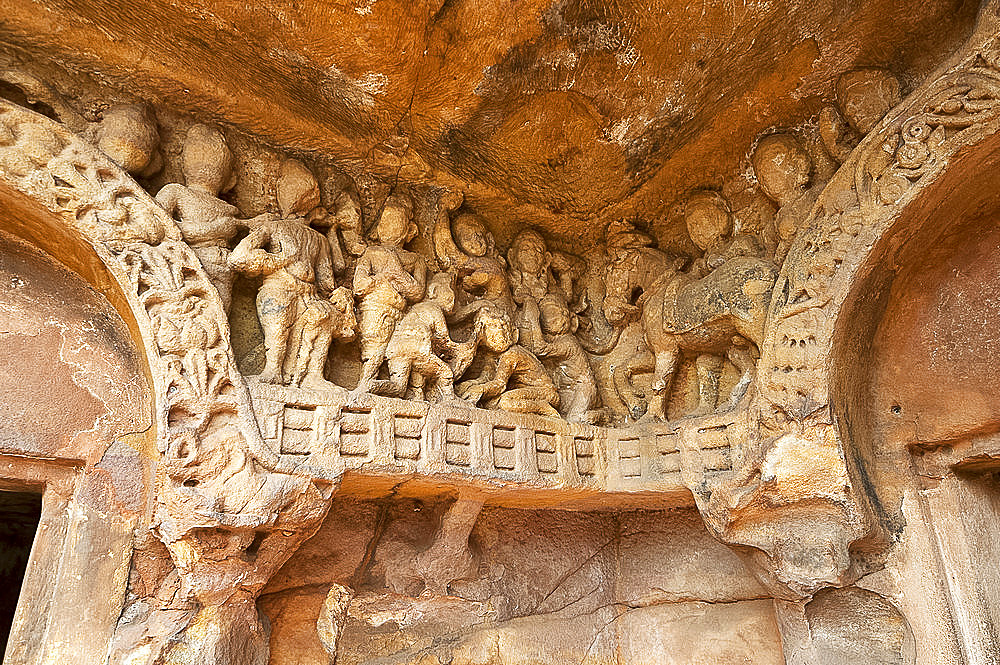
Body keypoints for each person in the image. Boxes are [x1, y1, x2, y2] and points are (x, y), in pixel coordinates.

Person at [229, 159, 347, 389]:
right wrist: (279, 261)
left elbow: (326, 282)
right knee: (278, 334)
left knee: (324, 317)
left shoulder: (318, 239)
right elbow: (239, 257)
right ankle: (272, 372)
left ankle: (314, 376)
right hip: (278, 288)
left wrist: (337, 299)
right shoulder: (272, 227)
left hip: (309, 295)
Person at [157, 124, 264, 312]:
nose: (208, 165)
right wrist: (214, 230)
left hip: (224, 272)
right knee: (187, 311)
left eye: (217, 163)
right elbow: (158, 229)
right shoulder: (176, 192)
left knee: (220, 314)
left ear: (230, 180)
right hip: (189, 265)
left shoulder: (228, 209)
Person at [352, 192, 427, 394]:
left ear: (409, 229)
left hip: (402, 315)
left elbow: (418, 293)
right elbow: (358, 286)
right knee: (373, 353)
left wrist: (400, 274)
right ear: (378, 227)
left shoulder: (414, 259)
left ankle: (400, 390)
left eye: (397, 221)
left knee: (400, 357)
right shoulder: (371, 253)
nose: (389, 226)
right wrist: (384, 276)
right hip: (376, 309)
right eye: (385, 221)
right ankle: (364, 386)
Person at [371, 272, 479, 401]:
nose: (452, 304)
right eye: (449, 298)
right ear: (434, 291)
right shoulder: (434, 309)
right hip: (418, 350)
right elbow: (443, 338)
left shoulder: (415, 309)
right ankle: (451, 402)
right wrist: (461, 347)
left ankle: (371, 386)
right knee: (445, 372)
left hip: (396, 349)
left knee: (399, 387)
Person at [458, 306, 560, 418]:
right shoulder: (492, 356)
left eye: (503, 326)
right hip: (524, 393)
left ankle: (542, 407)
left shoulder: (511, 354)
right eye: (493, 326)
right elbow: (486, 378)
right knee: (492, 403)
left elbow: (499, 385)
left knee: (505, 403)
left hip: (546, 394)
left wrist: (480, 389)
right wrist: (467, 385)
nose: (500, 331)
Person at [432, 190, 514, 321]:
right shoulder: (472, 263)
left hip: (501, 311)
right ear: (459, 243)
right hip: (492, 308)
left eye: (479, 234)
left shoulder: (491, 263)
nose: (475, 239)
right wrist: (443, 212)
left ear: (489, 240)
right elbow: (449, 247)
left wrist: (444, 210)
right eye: (467, 237)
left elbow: (453, 254)